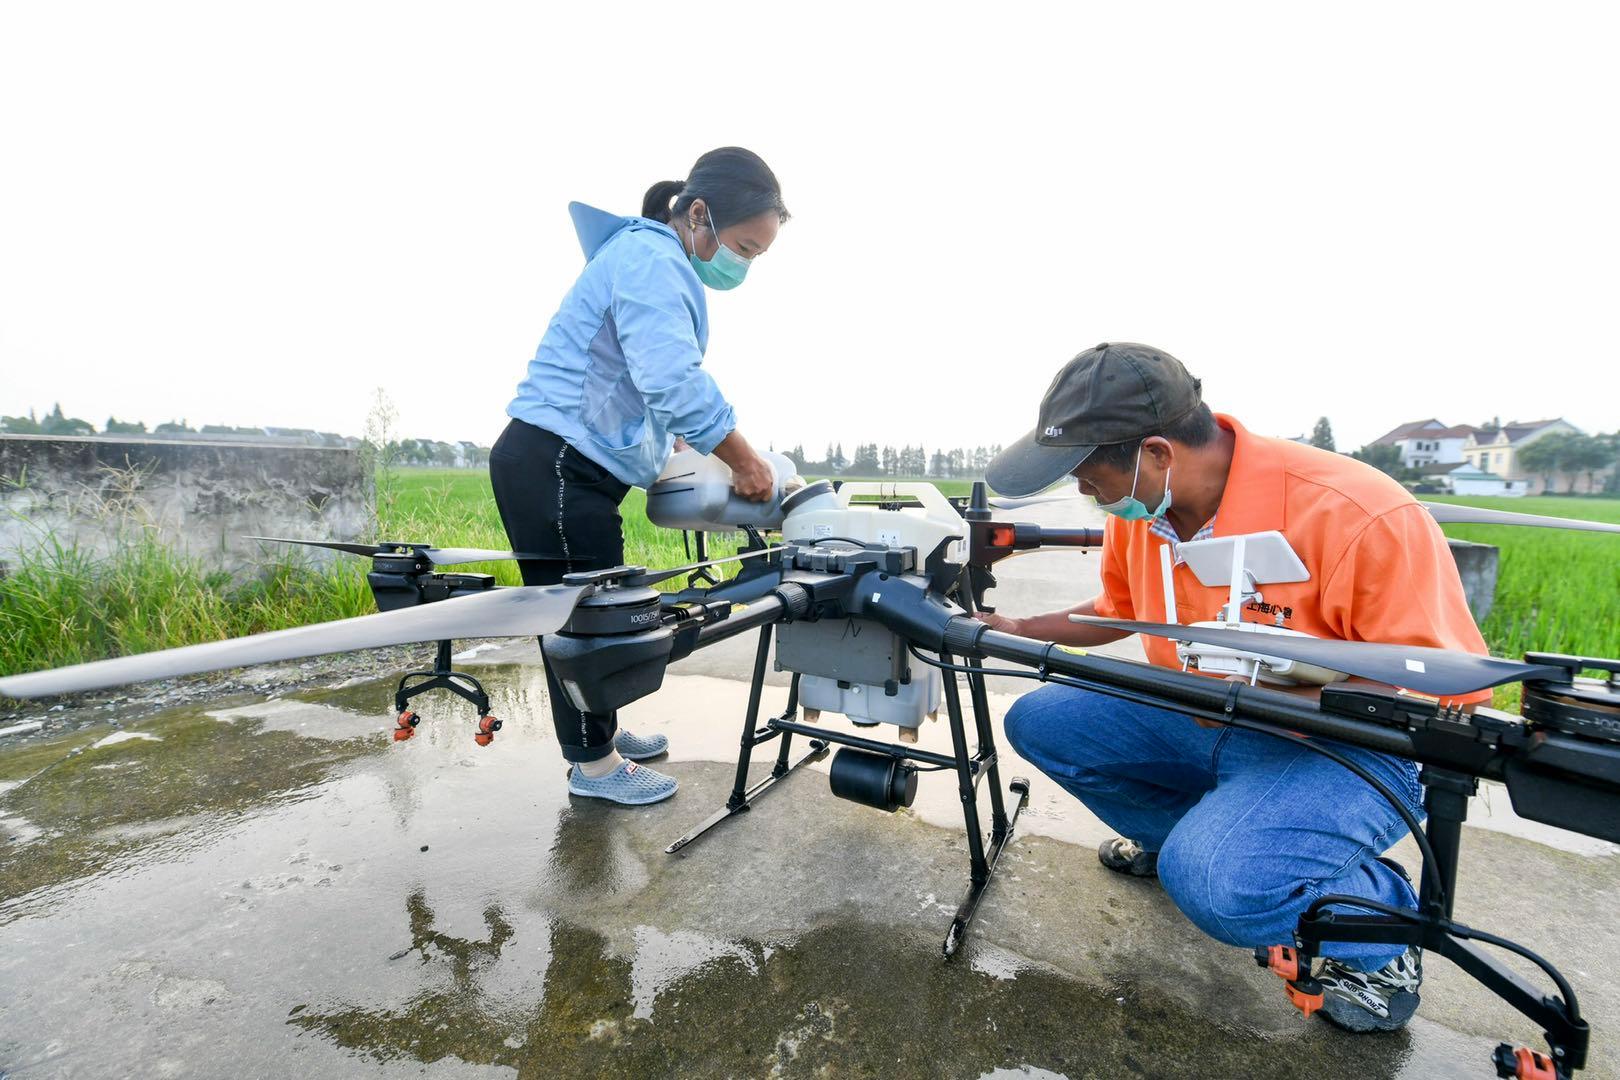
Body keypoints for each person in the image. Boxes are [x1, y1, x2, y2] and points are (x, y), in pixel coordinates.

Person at [981, 342, 1490, 1033]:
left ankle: (1378, 931)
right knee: (1041, 721)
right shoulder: (1147, 517)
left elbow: (1443, 687)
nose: (1084, 493)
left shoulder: (1354, 512)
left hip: (1348, 746)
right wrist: (1014, 626)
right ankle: (1208, 845)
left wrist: (1287, 704)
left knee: (1221, 887)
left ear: (1156, 453)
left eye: (1088, 476)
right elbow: (1117, 611)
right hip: (1206, 713)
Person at [490, 147, 789, 806]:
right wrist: (745, 460)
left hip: (564, 462)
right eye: (744, 248)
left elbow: (638, 383)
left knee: (593, 607)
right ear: (699, 214)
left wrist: (674, 439)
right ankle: (594, 768)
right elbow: (671, 378)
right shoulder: (653, 260)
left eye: (757, 256)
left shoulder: (649, 257)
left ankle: (600, 732)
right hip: (557, 462)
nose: (743, 264)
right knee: (583, 621)